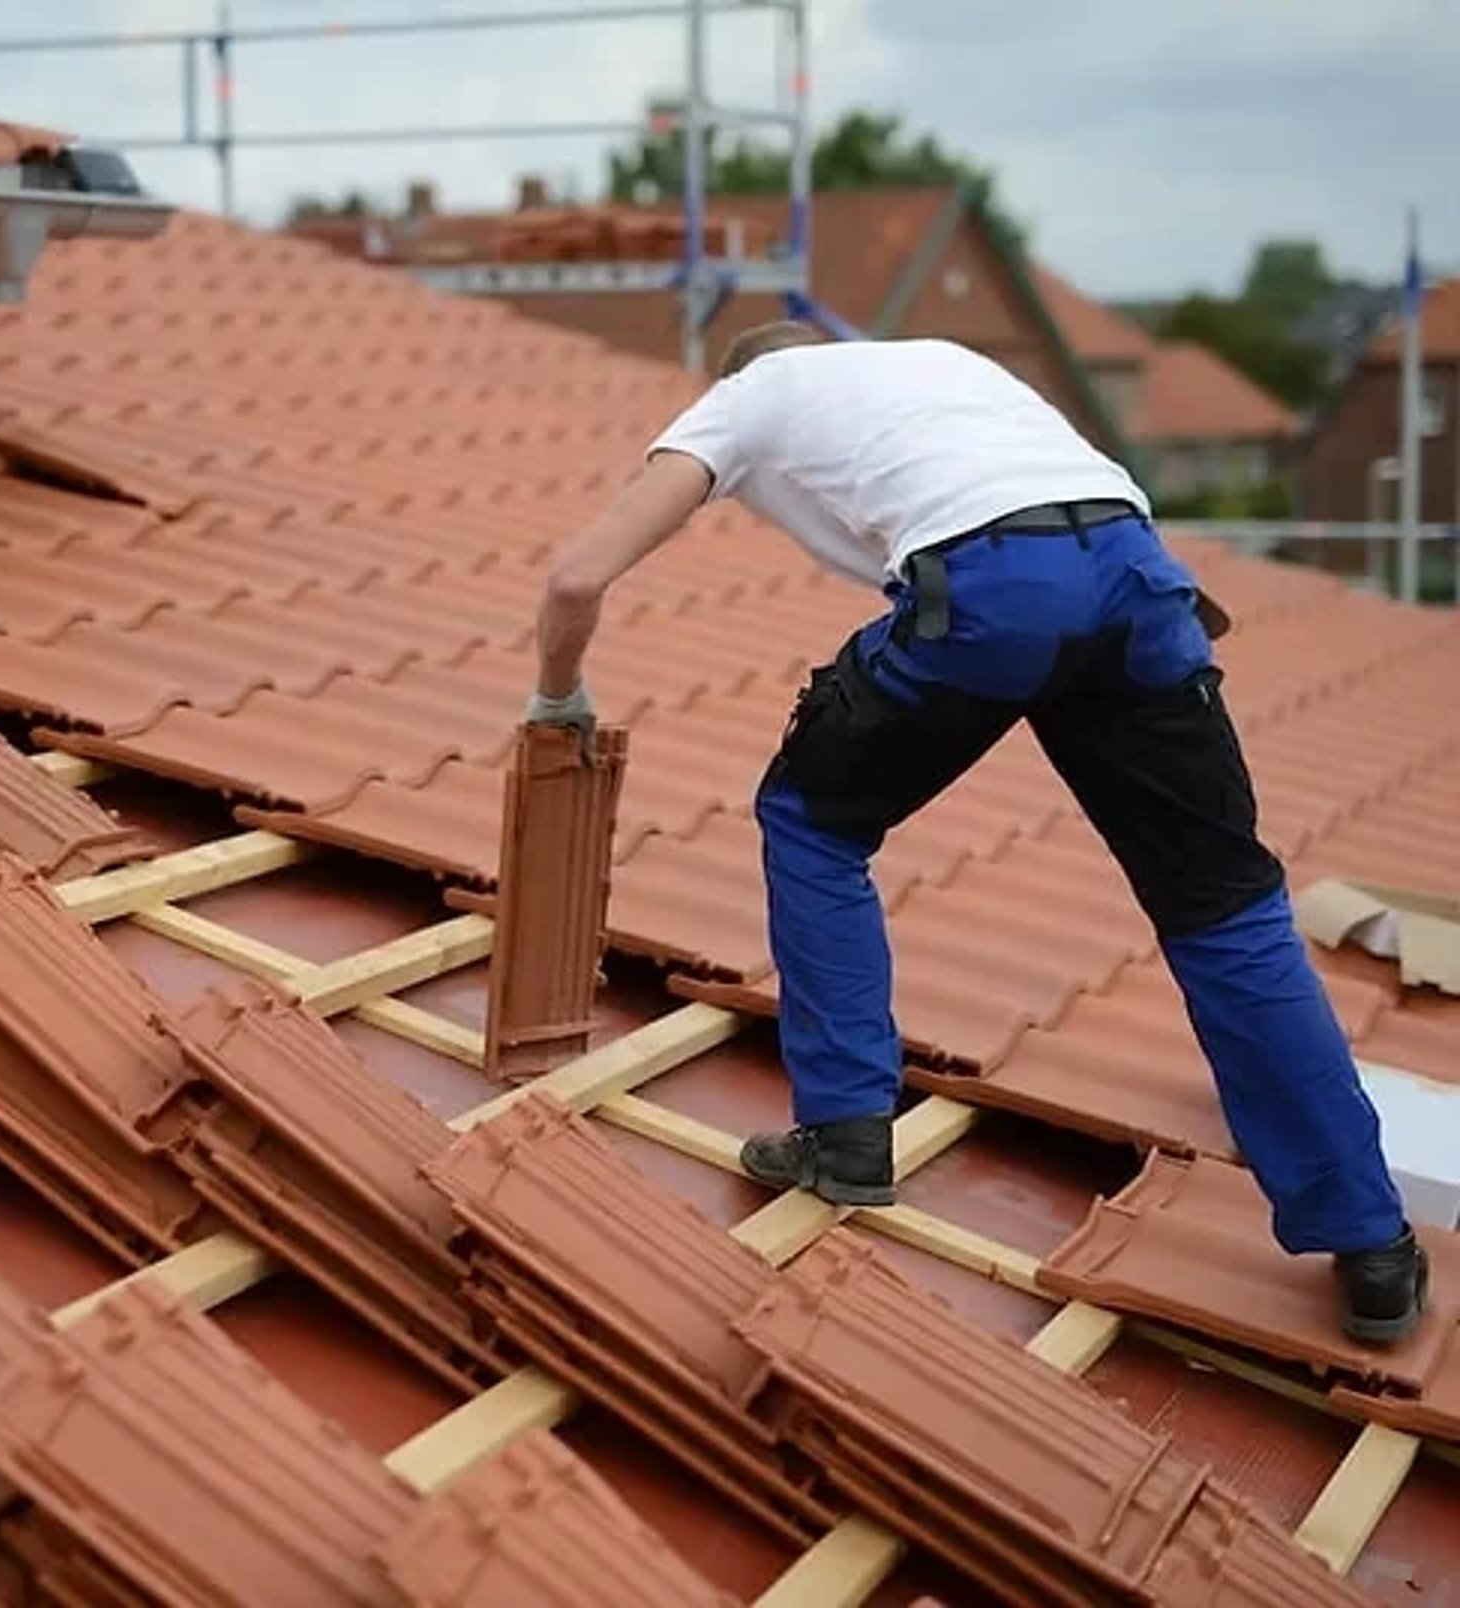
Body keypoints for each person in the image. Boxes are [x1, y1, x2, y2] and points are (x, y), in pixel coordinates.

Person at [524, 321, 1428, 1345]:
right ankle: (1374, 1244)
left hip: (997, 591)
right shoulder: (946, 369)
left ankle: (845, 1134)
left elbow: (576, 579)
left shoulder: (749, 394)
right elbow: (1072, 518)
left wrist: (557, 698)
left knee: (811, 819)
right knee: (1227, 909)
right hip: (1138, 575)